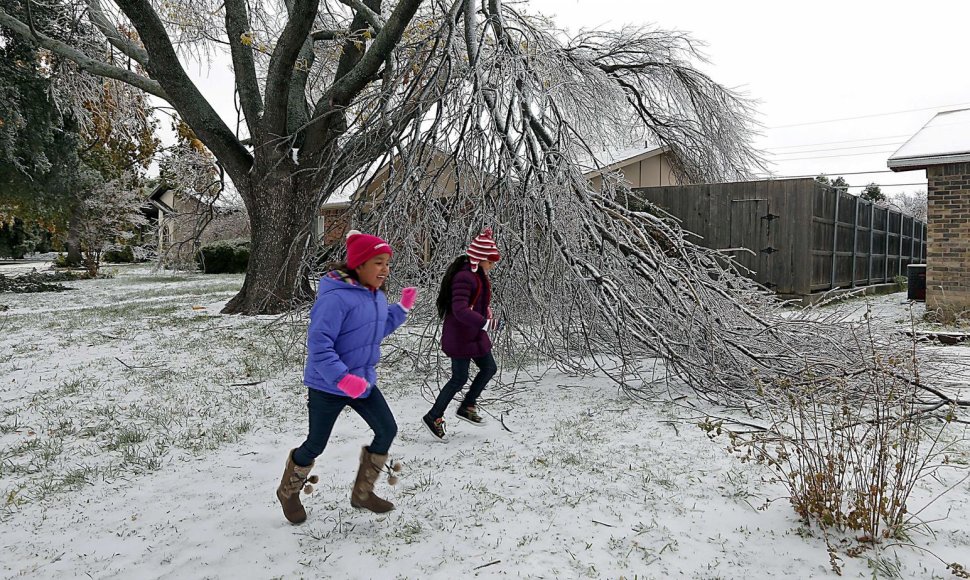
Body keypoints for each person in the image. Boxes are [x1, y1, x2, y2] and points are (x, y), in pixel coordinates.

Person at [276, 230, 417, 524]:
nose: (385, 270)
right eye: (378, 263)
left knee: (387, 429)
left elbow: (372, 332)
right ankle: (288, 490)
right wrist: (342, 379)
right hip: (327, 385)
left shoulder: (375, 296)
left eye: (388, 264)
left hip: (362, 381)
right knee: (316, 444)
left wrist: (400, 310)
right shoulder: (335, 299)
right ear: (359, 264)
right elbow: (319, 346)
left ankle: (363, 493)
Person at [422, 227, 501, 442]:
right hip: (461, 335)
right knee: (459, 378)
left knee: (489, 367)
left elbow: (476, 303)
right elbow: (460, 309)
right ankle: (434, 416)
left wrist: (486, 313)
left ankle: (467, 405)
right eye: (490, 261)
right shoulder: (465, 277)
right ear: (480, 259)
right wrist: (485, 322)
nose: (492, 266)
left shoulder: (477, 276)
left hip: (473, 334)